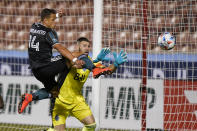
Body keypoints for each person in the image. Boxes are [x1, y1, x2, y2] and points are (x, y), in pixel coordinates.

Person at [18, 8, 111, 114]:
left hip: (36, 70)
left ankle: (30, 97)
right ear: (45, 20)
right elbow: (60, 48)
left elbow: (45, 19)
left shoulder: (34, 26)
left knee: (55, 92)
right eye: (53, 20)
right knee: (76, 54)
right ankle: (95, 69)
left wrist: (57, 15)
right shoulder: (48, 33)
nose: (55, 22)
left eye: (55, 19)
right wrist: (75, 60)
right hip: (46, 66)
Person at [51, 37, 128, 131]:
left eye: (88, 46)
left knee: (91, 125)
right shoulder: (70, 59)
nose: (87, 48)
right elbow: (76, 63)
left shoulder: (90, 62)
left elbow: (106, 71)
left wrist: (116, 64)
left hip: (77, 101)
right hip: (60, 101)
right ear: (77, 46)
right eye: (84, 46)